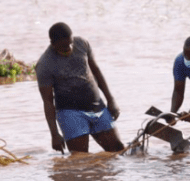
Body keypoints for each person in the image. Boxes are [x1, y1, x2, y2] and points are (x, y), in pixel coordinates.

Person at [36, 22, 124, 153]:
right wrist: (54, 134)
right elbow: (48, 102)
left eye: (70, 43)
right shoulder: (44, 64)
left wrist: (111, 100)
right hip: (70, 113)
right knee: (80, 160)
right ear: (53, 44)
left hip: (97, 107)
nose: (69, 48)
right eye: (64, 47)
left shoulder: (82, 44)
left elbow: (96, 71)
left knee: (118, 150)